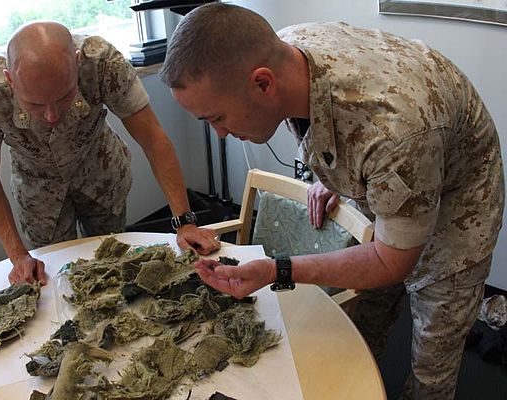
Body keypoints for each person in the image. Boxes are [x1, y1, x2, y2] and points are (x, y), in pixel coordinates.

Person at [160, 4, 504, 399]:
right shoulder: (287, 51)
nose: (219, 134)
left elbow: (389, 262)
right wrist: (339, 173)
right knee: (367, 318)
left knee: (433, 354)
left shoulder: (393, 135)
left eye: (216, 117)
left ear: (262, 84)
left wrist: (278, 270)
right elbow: (342, 129)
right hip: (406, 157)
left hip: (458, 198)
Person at [0, 21, 220, 285]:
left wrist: (185, 222)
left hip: (100, 174)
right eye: (35, 105)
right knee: (54, 279)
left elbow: (154, 139)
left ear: (76, 63)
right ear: (9, 79)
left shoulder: (102, 62)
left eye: (64, 97)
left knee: (113, 266)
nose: (51, 116)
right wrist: (18, 255)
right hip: (38, 195)